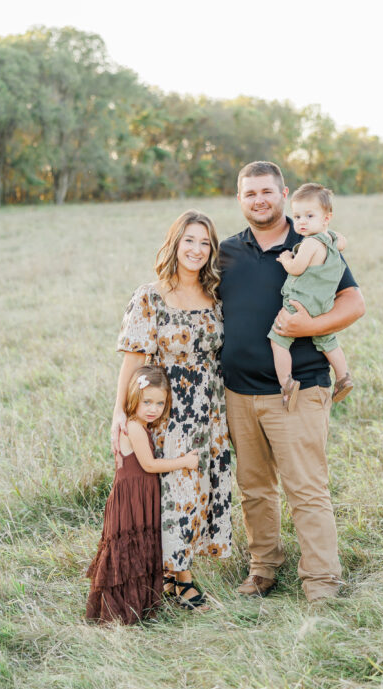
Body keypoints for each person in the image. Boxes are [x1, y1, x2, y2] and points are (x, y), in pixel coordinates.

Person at [219, 161, 365, 603]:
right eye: (250, 193)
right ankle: (263, 568)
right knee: (254, 487)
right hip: (238, 392)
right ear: (240, 199)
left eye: (267, 191)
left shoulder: (312, 242)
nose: (259, 199)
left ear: (283, 194)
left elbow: (354, 302)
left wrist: (308, 327)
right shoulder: (226, 251)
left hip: (298, 387)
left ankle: (321, 582)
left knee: (306, 487)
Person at [110, 210, 233, 611]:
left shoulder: (215, 298)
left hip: (210, 409)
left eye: (205, 243)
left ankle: (175, 567)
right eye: (189, 241)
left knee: (202, 488)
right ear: (175, 244)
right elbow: (132, 362)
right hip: (167, 410)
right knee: (176, 489)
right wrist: (119, 416)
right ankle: (179, 578)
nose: (197, 250)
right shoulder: (150, 296)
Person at [86, 366, 199, 624]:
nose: (153, 409)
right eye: (147, 401)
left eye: (160, 403)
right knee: (129, 550)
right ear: (133, 398)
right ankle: (122, 612)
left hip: (141, 496)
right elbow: (148, 465)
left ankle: (139, 606)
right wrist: (184, 461)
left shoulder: (141, 425)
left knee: (140, 549)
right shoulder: (134, 427)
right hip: (131, 499)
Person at [269, 182, 354, 411]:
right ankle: (343, 376)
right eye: (297, 216)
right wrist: (334, 237)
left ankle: (287, 383)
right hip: (324, 305)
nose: (302, 222)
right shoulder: (332, 239)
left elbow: (296, 268)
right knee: (327, 340)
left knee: (278, 341)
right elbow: (343, 242)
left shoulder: (309, 243)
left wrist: (286, 258)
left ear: (326, 217)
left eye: (309, 215)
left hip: (300, 303)